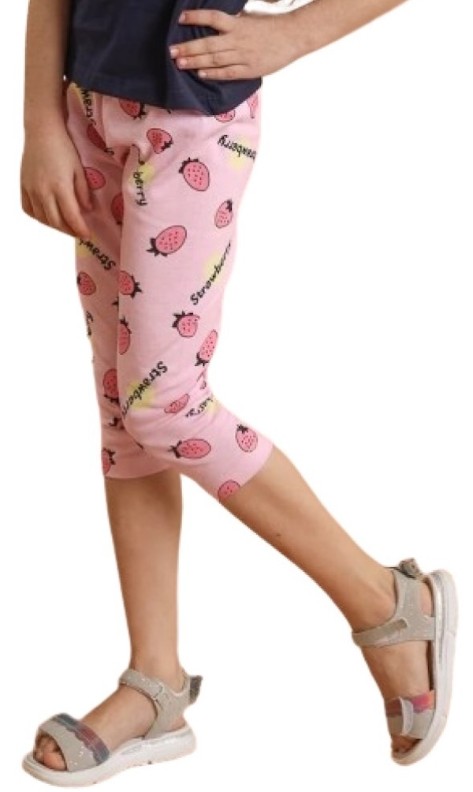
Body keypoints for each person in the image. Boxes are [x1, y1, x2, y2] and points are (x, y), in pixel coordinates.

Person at [20, 0, 458, 785]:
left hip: (190, 125)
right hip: (85, 110)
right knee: (125, 410)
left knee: (164, 405)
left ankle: (385, 603)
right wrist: (41, 123)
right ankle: (154, 683)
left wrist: (294, 33)